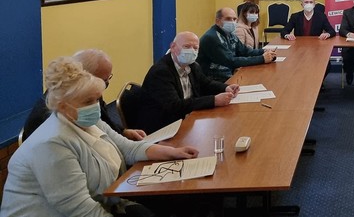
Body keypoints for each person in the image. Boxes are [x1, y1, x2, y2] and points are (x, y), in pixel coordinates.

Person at [1, 57, 198, 217]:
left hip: (106, 201)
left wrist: (173, 152)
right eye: (88, 101)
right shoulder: (51, 144)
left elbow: (128, 148)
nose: (96, 106)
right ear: (63, 106)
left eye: (97, 99)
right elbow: (81, 210)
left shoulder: (88, 121)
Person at [22, 49, 146, 141]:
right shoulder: (52, 117)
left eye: (108, 79)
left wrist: (123, 132)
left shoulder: (88, 93)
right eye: (103, 80)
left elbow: (104, 121)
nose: (105, 84)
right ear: (85, 76)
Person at [138, 31, 240, 134]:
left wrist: (225, 88)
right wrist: (214, 100)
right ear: (173, 47)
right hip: (163, 127)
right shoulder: (161, 72)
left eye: (195, 48)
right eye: (187, 46)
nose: (192, 51)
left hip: (187, 118)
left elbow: (206, 84)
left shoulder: (192, 65)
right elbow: (175, 106)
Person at [197, 7, 276, 82]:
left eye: (234, 19)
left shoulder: (230, 34)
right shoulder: (212, 37)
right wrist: (262, 59)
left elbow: (245, 51)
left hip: (228, 75)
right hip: (214, 80)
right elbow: (231, 61)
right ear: (217, 21)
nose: (232, 22)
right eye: (228, 19)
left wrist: (264, 51)